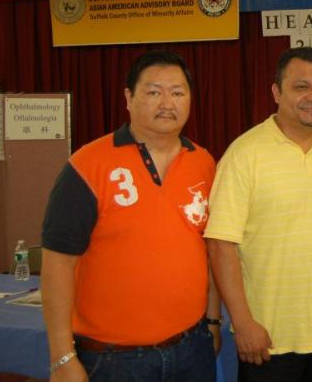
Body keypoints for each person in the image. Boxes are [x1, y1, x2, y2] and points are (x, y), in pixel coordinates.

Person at [41, 50, 220, 382]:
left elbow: (210, 250)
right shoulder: (88, 165)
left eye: (177, 93)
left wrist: (213, 321)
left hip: (192, 348)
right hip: (113, 359)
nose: (167, 103)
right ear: (128, 98)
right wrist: (61, 356)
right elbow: (57, 264)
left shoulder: (204, 163)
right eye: (153, 92)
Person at [205, 47, 312, 382]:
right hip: (267, 337)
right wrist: (243, 323)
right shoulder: (244, 153)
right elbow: (220, 244)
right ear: (276, 92)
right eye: (301, 87)